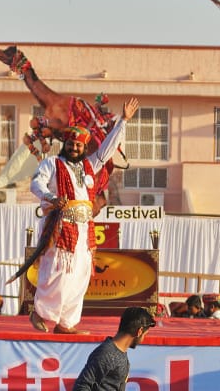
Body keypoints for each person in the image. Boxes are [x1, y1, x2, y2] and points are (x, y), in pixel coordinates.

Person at [27, 97, 139, 335]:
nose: (75, 148)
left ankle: (66, 323)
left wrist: (123, 121)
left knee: (79, 274)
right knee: (58, 271)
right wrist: (50, 197)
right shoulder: (52, 164)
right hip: (61, 225)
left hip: (84, 228)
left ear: (83, 147)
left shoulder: (90, 165)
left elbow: (107, 148)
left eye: (79, 145)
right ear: (65, 144)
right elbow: (36, 184)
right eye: (71, 144)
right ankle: (41, 313)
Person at [72, 306, 155, 391]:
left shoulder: (120, 354)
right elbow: (81, 387)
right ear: (139, 331)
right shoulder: (106, 354)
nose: (143, 339)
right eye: (145, 334)